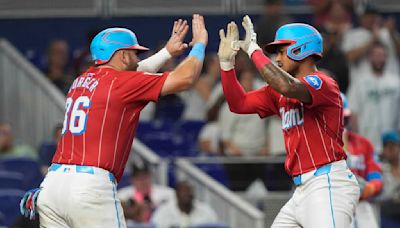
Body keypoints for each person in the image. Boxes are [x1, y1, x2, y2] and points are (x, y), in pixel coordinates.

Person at [20, 14, 208, 227]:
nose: (137, 59)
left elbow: (132, 75)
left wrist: (166, 53)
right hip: (89, 188)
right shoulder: (122, 84)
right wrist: (200, 44)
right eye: (134, 53)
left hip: (52, 187)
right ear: (123, 55)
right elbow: (186, 77)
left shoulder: (81, 80)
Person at [217, 16, 359, 227]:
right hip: (301, 190)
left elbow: (288, 87)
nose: (277, 58)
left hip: (328, 183)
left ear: (300, 49)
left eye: (282, 51)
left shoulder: (323, 82)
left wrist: (255, 51)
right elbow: (239, 104)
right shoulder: (279, 90)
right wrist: (227, 65)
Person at [347, 42, 400, 153]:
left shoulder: (395, 82)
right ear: (369, 57)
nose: (378, 58)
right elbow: (353, 112)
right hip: (367, 140)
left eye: (381, 55)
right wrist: (357, 140)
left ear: (386, 57)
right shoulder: (359, 82)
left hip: (392, 143)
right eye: (375, 55)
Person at [341, 93, 383, 228]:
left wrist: (370, 188)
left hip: (361, 203)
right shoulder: (320, 146)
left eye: (345, 119)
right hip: (335, 203)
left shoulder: (363, 144)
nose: (342, 125)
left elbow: (376, 176)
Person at [151, 181, 217, 228]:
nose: (187, 194)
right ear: (176, 194)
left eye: (189, 191)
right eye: (184, 192)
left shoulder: (206, 211)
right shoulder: (163, 212)